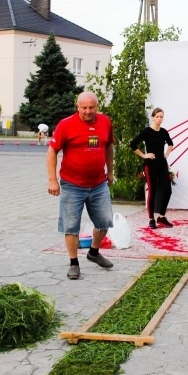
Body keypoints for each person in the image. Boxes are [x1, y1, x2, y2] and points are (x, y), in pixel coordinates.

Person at [47, 91, 115, 280]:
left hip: (98, 184)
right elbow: (52, 151)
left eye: (91, 107)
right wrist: (52, 179)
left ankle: (93, 252)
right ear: (77, 107)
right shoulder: (66, 125)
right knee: (71, 226)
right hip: (72, 185)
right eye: (83, 107)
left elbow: (108, 146)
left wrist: (110, 171)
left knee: (104, 222)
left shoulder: (105, 122)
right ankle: (74, 263)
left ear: (97, 107)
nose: (87, 111)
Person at [130, 108, 175, 229]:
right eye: (158, 116)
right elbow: (133, 144)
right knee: (152, 191)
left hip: (162, 165)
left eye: (161, 117)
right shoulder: (147, 131)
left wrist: (166, 154)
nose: (160, 119)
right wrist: (144, 155)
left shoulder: (164, 132)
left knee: (168, 190)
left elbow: (171, 144)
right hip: (150, 165)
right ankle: (151, 219)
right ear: (153, 117)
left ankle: (161, 217)